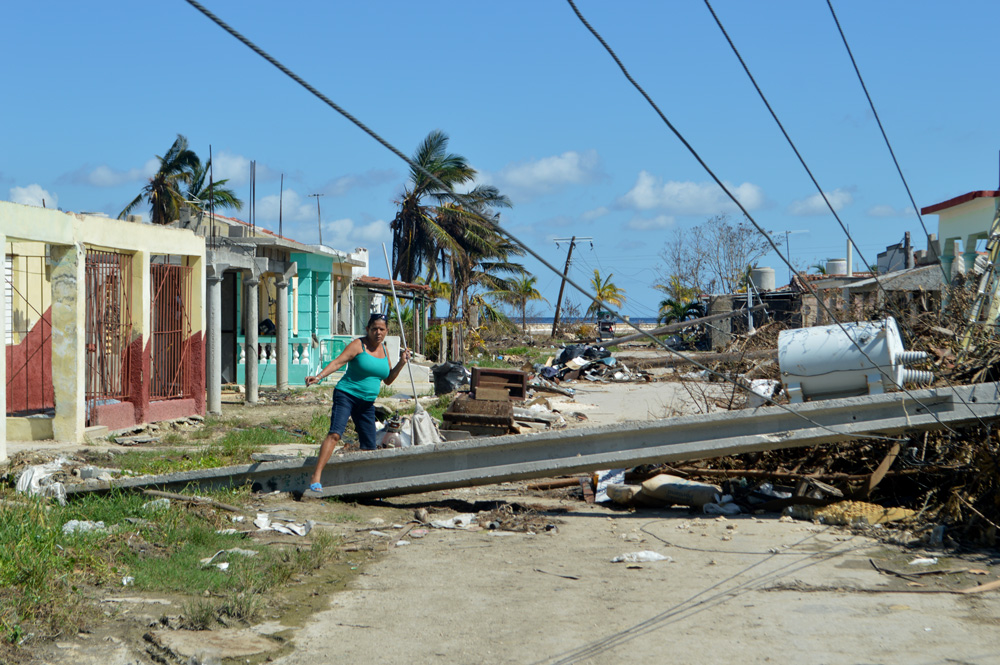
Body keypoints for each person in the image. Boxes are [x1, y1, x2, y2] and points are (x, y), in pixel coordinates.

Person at [305, 313, 410, 492]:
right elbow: (338, 362)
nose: (378, 332)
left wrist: (401, 363)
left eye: (382, 329)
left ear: (386, 331)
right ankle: (316, 477)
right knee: (336, 434)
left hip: (367, 404)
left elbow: (388, 380)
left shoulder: (384, 351)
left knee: (369, 446)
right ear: (368, 329)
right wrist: (319, 377)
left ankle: (368, 486)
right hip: (346, 395)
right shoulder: (358, 345)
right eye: (374, 328)